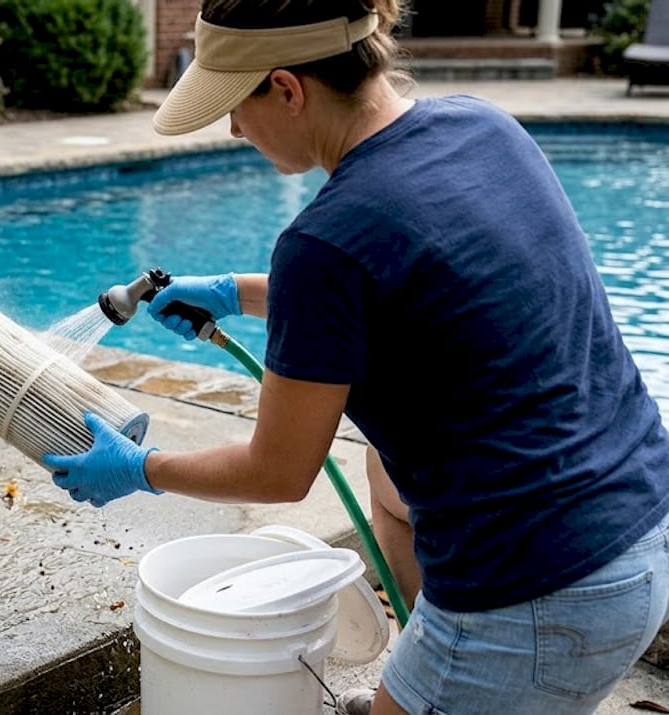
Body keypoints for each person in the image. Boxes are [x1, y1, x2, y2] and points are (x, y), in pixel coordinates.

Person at [40, 1, 669, 713]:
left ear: (286, 89)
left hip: (536, 597)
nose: (233, 128)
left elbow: (278, 471)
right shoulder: (482, 126)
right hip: (642, 529)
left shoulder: (323, 243)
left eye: (235, 106)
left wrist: (139, 469)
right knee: (384, 469)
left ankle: (457, 676)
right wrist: (232, 293)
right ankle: (433, 668)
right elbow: (403, 285)